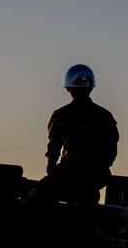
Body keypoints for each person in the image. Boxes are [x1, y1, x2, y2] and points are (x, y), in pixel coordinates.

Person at [35, 64, 119, 204]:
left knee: (32, 202)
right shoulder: (105, 116)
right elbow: (111, 151)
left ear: (68, 89)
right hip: (96, 177)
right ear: (91, 88)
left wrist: (52, 172)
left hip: (69, 173)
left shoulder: (61, 115)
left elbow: (54, 147)